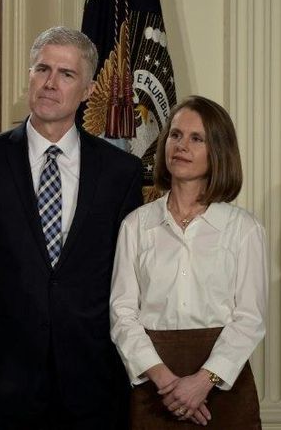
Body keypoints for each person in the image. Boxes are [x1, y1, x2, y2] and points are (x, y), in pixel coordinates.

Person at [0, 26, 143, 429]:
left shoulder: (120, 172)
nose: (50, 83)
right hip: (1, 379)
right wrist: (1, 334)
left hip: (93, 381)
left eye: (66, 74)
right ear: (30, 76)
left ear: (89, 89)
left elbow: (126, 273)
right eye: (42, 69)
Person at [110, 95, 268, 428]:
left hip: (223, 385)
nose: (181, 145)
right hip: (153, 383)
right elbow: (122, 313)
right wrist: (168, 384)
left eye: (197, 139)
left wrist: (201, 383)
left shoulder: (243, 229)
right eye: (176, 135)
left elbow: (249, 318)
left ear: (218, 152)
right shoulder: (136, 225)